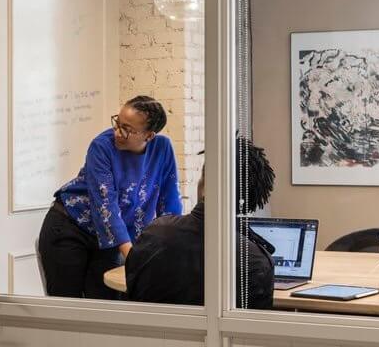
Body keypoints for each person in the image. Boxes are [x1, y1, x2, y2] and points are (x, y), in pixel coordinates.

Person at [38, 95, 183, 299]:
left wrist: (169, 247)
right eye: (118, 123)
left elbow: (170, 203)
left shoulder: (162, 148)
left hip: (108, 238)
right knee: (68, 305)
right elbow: (105, 206)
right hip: (71, 227)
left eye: (127, 129)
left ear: (149, 136)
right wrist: (134, 260)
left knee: (106, 305)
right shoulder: (102, 146)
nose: (118, 132)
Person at [125, 137, 277, 309]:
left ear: (205, 183)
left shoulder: (153, 233)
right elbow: (252, 330)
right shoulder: (256, 260)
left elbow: (133, 296)